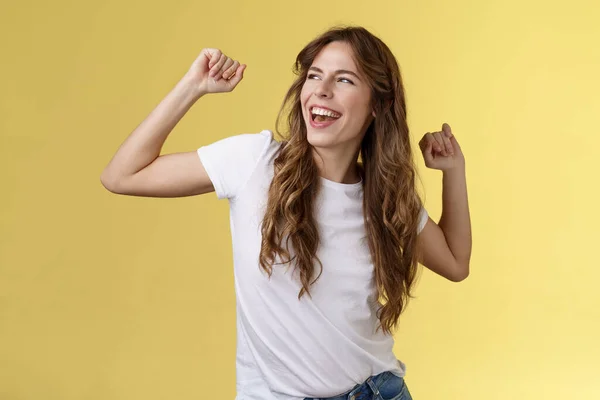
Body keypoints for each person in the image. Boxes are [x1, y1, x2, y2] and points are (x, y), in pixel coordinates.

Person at [101, 26, 472, 400]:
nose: (321, 90)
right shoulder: (254, 162)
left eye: (343, 79)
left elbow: (456, 263)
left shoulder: (385, 196)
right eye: (314, 75)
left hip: (377, 390)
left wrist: (454, 171)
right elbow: (122, 175)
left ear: (378, 104)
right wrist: (192, 86)